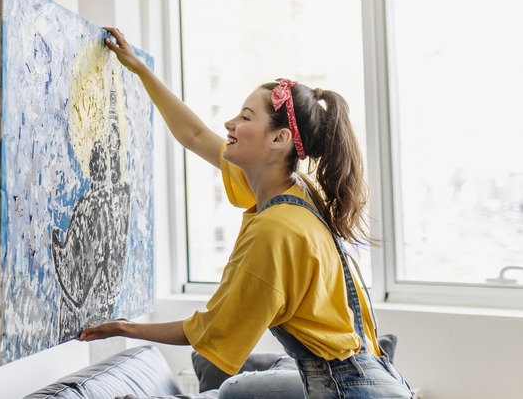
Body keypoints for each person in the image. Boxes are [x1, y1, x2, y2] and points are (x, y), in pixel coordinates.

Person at [78, 27, 413, 399]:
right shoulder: (292, 188)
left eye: (245, 117)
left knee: (233, 391)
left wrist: (127, 329)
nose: (229, 124)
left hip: (349, 391)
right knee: (238, 391)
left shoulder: (276, 229)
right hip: (377, 380)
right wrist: (139, 69)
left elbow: (211, 329)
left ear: (279, 139)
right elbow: (194, 135)